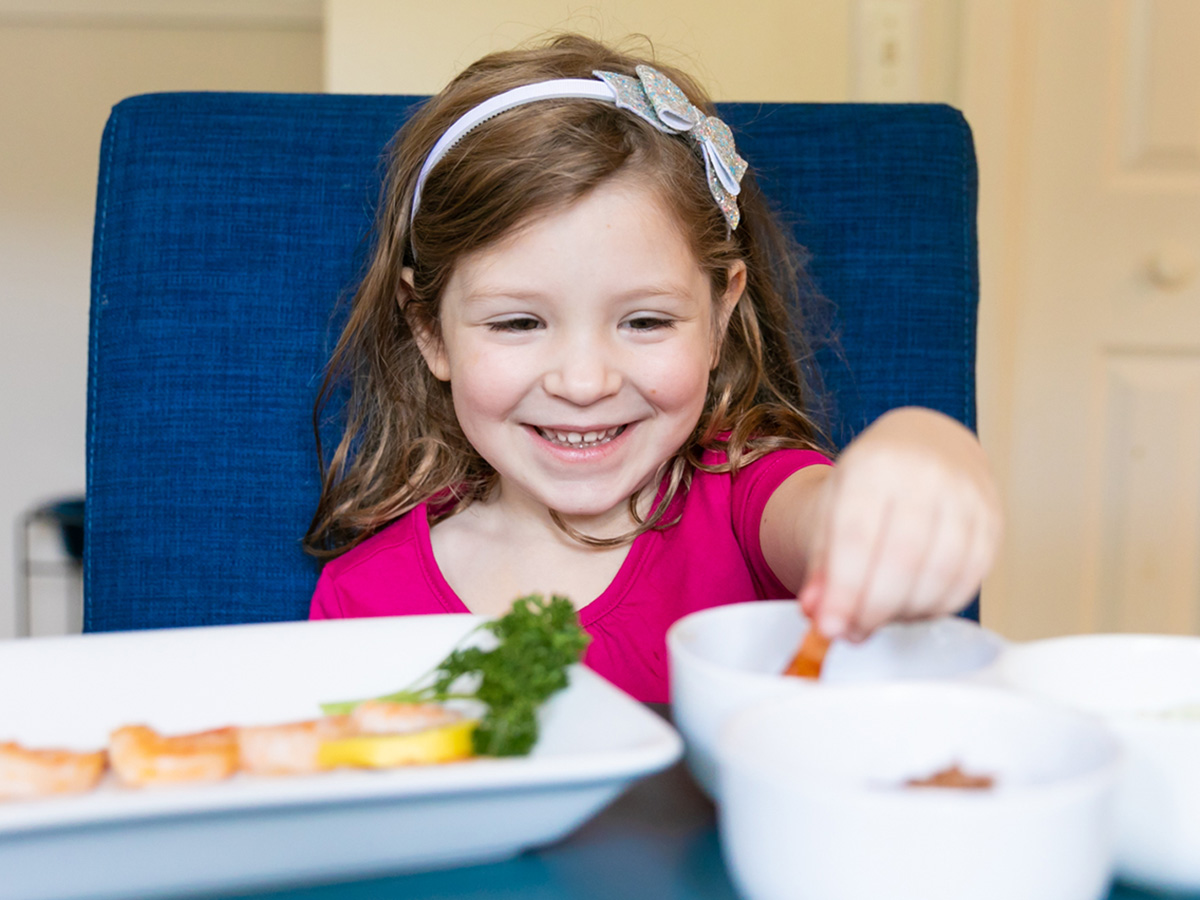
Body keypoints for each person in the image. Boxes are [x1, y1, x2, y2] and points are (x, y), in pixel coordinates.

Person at [305, 34, 1002, 703]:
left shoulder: (748, 504)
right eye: (519, 323)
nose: (583, 384)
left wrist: (922, 450)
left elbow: (826, 521)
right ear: (430, 330)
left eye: (645, 322)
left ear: (720, 315)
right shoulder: (361, 597)